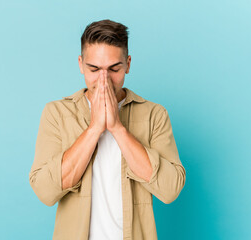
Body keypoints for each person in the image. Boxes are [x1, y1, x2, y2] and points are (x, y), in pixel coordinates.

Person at [29, 19, 186, 240]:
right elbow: (45, 192)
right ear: (81, 64)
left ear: (128, 64)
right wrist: (94, 128)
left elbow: (170, 190)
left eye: (114, 69)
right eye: (94, 69)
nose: (104, 80)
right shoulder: (56, 113)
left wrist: (117, 128)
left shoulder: (154, 114)